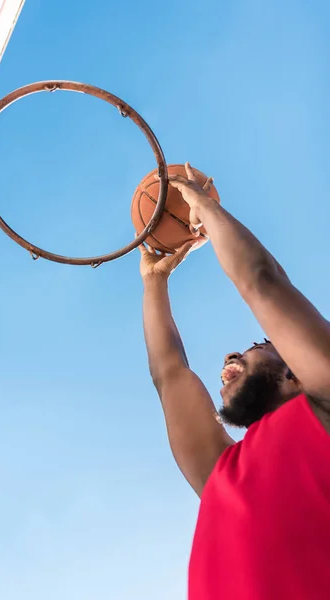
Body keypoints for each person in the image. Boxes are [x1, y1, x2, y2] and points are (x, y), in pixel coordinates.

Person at [138, 163, 330, 600]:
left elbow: (262, 281)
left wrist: (203, 205)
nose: (232, 354)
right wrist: (155, 282)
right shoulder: (221, 472)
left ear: (295, 373)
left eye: (261, 343)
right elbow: (169, 376)